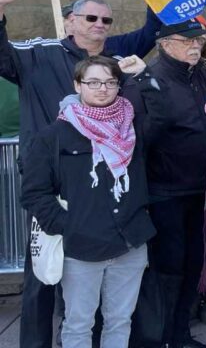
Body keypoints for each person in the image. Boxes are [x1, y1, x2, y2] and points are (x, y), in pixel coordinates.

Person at [0, 0, 164, 348]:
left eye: (106, 19)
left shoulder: (117, 55)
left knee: (108, 298)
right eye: (90, 17)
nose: (99, 24)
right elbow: (1, 55)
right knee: (44, 276)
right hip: (55, 190)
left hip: (110, 194)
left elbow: (151, 34)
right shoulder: (39, 52)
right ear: (70, 20)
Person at [120, 20, 206, 348]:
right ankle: (157, 340)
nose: (196, 45)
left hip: (199, 191)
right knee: (166, 274)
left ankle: (179, 336)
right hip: (164, 194)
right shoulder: (146, 80)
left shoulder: (199, 75)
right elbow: (140, 140)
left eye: (200, 39)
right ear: (164, 43)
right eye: (187, 40)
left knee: (192, 268)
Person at [21, 55, 156, 348]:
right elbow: (34, 192)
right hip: (81, 248)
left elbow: (164, 115)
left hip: (130, 242)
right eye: (93, 82)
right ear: (77, 85)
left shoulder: (133, 128)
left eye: (110, 82)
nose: (102, 89)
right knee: (79, 324)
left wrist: (144, 77)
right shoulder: (52, 136)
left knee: (120, 320)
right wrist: (69, 227)